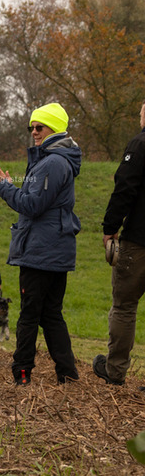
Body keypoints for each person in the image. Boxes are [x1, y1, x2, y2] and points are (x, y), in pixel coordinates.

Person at [0, 102, 81, 386]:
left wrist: (3, 187)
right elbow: (38, 200)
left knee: (29, 316)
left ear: (55, 129)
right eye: (32, 127)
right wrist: (13, 185)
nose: (34, 132)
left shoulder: (52, 161)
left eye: (40, 127)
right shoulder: (57, 159)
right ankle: (68, 376)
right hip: (54, 249)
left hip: (41, 253)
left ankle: (22, 373)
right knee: (51, 315)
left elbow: (33, 206)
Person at [93, 100, 145, 387]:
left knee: (125, 306)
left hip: (138, 241)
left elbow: (124, 187)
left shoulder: (139, 145)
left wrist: (110, 228)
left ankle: (115, 372)